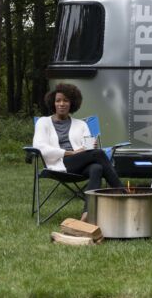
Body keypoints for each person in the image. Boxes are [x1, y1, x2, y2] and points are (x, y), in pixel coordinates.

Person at [32, 83, 123, 222]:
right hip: (58, 165)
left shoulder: (81, 124)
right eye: (58, 100)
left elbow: (87, 147)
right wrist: (71, 153)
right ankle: (123, 194)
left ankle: (87, 213)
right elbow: (40, 147)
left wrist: (90, 146)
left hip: (79, 165)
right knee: (98, 154)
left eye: (66, 100)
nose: (61, 104)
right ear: (53, 103)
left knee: (97, 168)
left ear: (72, 103)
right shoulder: (43, 122)